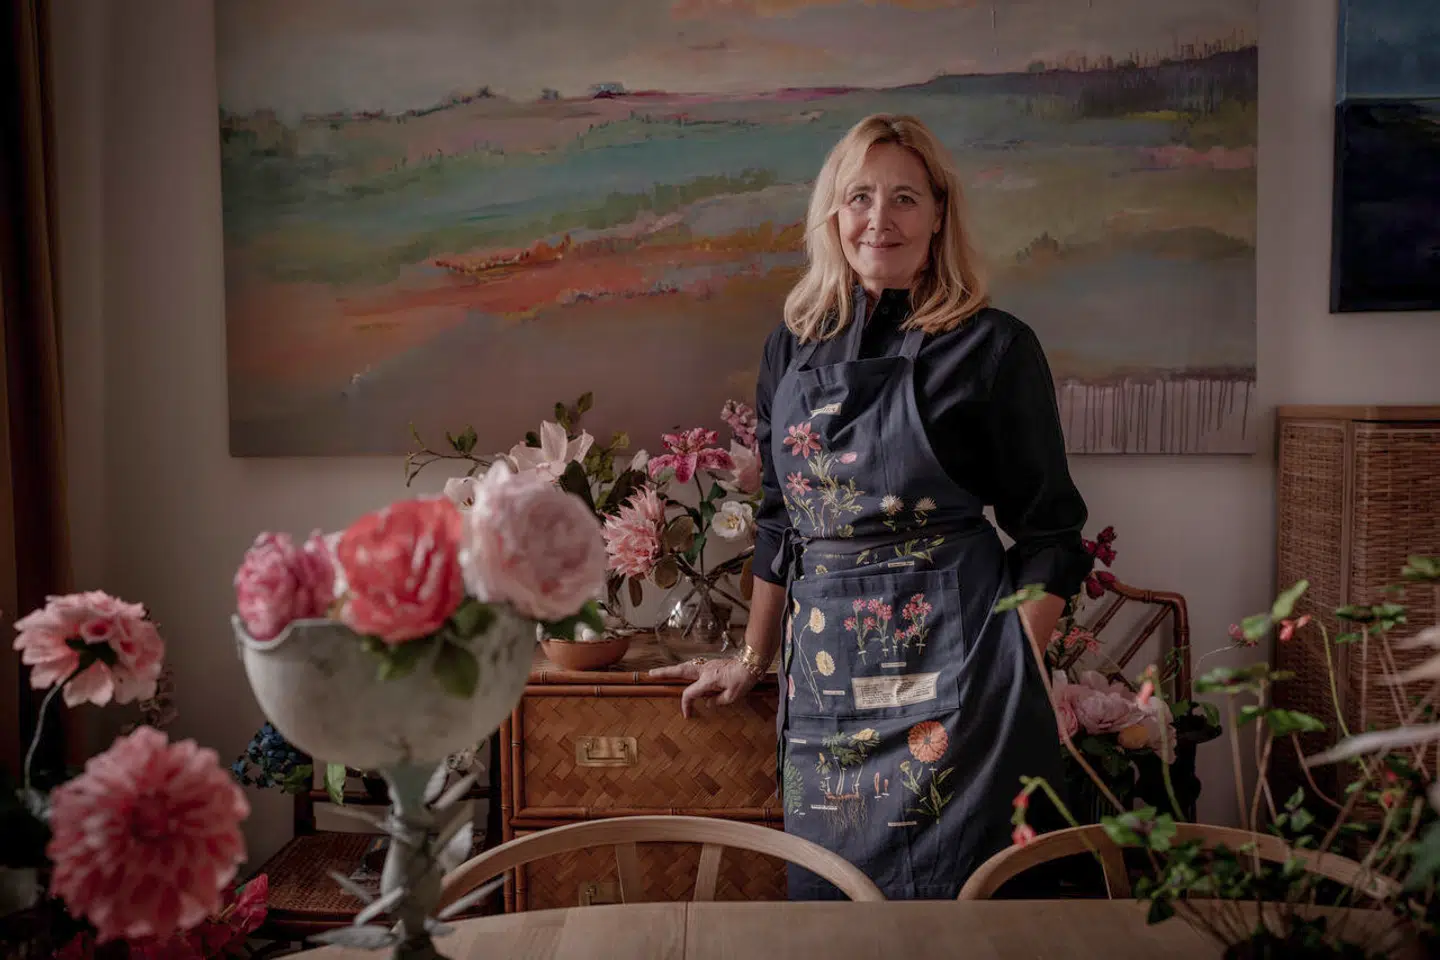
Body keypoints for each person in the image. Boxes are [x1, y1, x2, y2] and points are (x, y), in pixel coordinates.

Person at [649, 114, 1093, 900]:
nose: (879, 219)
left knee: (975, 920)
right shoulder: (791, 346)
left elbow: (1051, 531)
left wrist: (1009, 672)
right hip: (830, 688)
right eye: (859, 196)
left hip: (965, 681)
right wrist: (752, 658)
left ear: (939, 214)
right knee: (834, 914)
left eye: (904, 198)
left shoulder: (993, 347)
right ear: (833, 212)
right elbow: (781, 519)